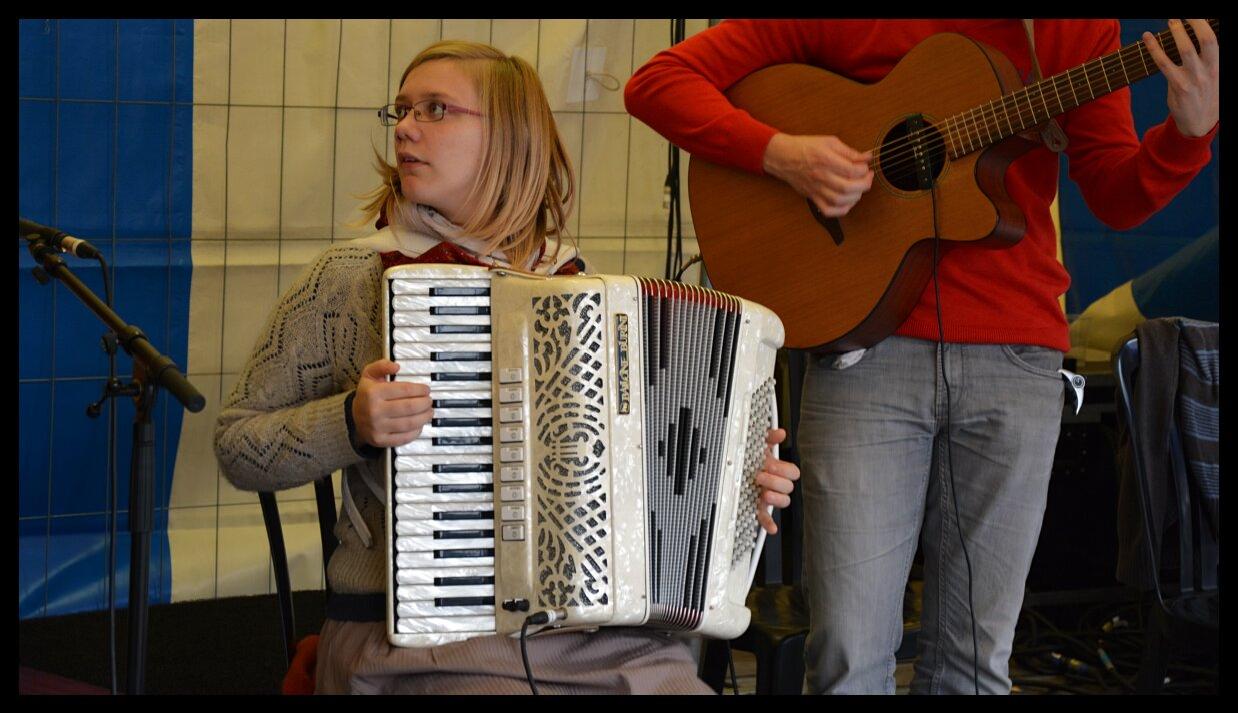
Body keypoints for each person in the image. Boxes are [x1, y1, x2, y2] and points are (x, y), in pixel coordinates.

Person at [624, 19, 1218, 694]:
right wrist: (784, 154)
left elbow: (1114, 192)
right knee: (849, 653)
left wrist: (1187, 136)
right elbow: (657, 85)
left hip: (1016, 355)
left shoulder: (1071, 26)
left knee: (976, 662)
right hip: (864, 351)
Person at [215, 40, 800, 695]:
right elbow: (238, 445)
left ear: (512, 140)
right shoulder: (350, 280)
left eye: (437, 109)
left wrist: (741, 482)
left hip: (600, 638)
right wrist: (348, 422)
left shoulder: (577, 293)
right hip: (414, 640)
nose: (406, 127)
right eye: (402, 110)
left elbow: (647, 488)